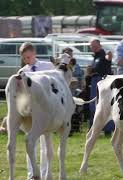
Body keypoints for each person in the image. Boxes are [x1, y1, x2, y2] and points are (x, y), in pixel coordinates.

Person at [19, 42, 55, 179]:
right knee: (30, 144)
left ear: (34, 53)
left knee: (46, 145)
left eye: (28, 57)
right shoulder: (23, 72)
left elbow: (53, 87)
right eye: (24, 58)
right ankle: (32, 175)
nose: (27, 60)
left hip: (46, 112)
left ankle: (45, 174)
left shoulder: (48, 67)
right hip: (31, 113)